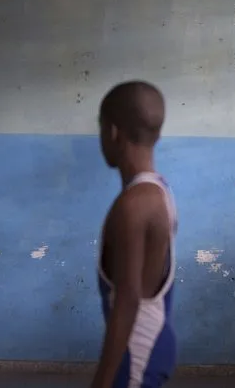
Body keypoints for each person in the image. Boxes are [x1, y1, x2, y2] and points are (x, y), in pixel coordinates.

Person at [91, 81, 178, 388]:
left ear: (113, 132)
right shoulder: (160, 191)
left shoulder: (134, 205)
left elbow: (127, 301)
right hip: (154, 345)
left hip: (135, 358)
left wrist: (101, 382)